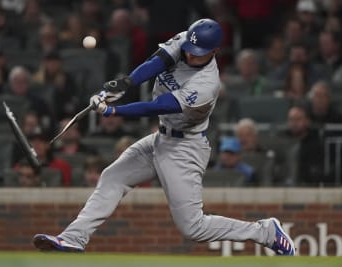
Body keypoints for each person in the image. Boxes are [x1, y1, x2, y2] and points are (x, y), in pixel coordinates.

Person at [33, 18, 295, 255]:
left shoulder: (207, 84)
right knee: (112, 176)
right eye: (190, 50)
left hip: (186, 148)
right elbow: (157, 63)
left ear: (214, 51)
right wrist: (124, 84)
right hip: (162, 138)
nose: (191, 56)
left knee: (193, 227)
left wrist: (113, 110)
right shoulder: (186, 40)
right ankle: (74, 237)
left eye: (198, 53)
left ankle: (265, 232)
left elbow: (158, 106)